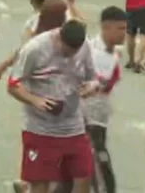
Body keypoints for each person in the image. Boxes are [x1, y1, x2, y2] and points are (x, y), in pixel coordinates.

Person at [7, 20, 100, 193]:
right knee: (40, 184)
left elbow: (93, 78)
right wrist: (35, 100)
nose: (70, 56)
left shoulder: (84, 45)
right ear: (59, 38)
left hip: (74, 127)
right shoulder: (34, 49)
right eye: (67, 51)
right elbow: (12, 85)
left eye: (75, 52)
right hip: (40, 129)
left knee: (83, 178)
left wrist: (91, 87)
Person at [82, 7, 127, 193]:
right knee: (100, 169)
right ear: (106, 27)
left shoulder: (114, 56)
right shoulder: (89, 51)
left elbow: (108, 84)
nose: (125, 33)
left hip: (100, 118)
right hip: (84, 118)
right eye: (121, 29)